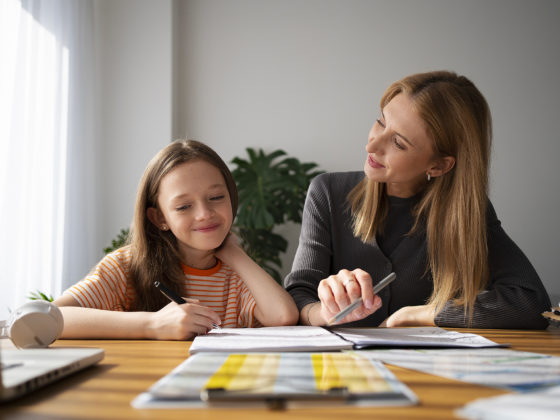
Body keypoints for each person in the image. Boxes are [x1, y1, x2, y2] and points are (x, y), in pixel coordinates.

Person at [285, 70, 551, 329]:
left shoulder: (466, 214)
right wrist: (325, 312)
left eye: (399, 143)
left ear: (438, 166)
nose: (372, 146)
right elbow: (298, 296)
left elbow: (531, 302)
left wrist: (422, 314)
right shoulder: (327, 193)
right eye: (381, 122)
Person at [54, 140, 298, 339]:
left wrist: (234, 253)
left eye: (216, 197)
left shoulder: (238, 275)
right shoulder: (125, 267)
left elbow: (283, 316)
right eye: (183, 207)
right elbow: (50, 316)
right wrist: (152, 324)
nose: (204, 214)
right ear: (159, 217)